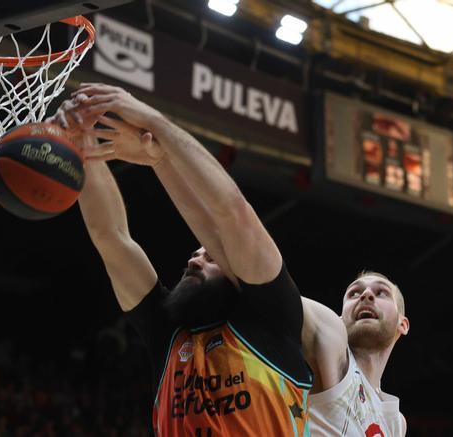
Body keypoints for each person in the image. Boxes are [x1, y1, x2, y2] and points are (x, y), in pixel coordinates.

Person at [49, 84, 313, 436]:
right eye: (194, 253)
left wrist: (154, 122)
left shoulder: (273, 316)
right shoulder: (168, 330)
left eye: (209, 255)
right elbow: (110, 236)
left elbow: (232, 211)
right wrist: (81, 144)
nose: (194, 258)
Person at [301, 272, 409, 436]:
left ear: (402, 324)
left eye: (381, 292)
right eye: (354, 293)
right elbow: (272, 285)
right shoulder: (334, 353)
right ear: (341, 319)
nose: (366, 294)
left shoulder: (396, 423)